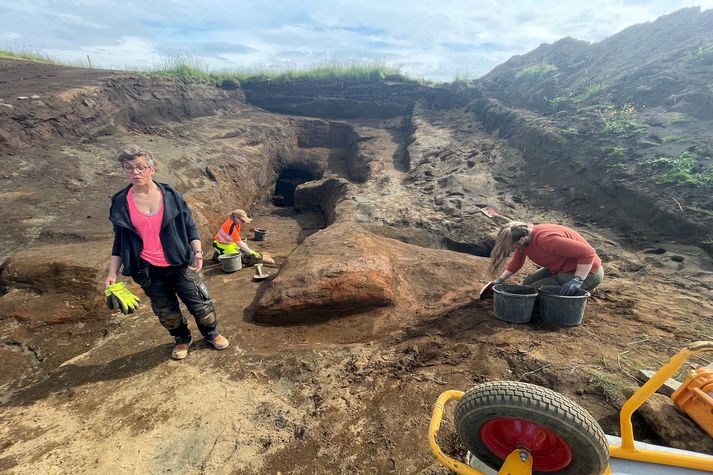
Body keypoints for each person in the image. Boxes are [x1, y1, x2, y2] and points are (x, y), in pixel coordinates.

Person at [105, 144, 229, 360]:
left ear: (152, 169)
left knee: (200, 303)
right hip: (147, 270)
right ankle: (181, 338)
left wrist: (198, 252)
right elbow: (120, 240)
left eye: (140, 167)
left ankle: (211, 333)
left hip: (181, 262)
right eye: (128, 168)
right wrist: (112, 272)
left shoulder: (171, 195)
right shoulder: (120, 202)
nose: (135, 172)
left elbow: (190, 226)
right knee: (166, 312)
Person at [487, 221, 604, 296]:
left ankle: (586, 287)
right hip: (559, 268)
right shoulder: (524, 239)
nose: (512, 249)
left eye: (513, 246)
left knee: (535, 291)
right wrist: (500, 280)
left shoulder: (547, 240)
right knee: (528, 282)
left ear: (522, 240)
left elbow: (588, 252)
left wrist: (577, 280)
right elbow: (517, 263)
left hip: (588, 271)